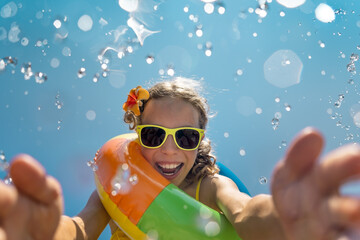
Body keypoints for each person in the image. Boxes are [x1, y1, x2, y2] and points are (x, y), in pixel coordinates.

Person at [1, 77, 360, 240]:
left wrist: (283, 222)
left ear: (199, 143)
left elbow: (246, 211)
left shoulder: (208, 184)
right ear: (137, 135)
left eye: (185, 137)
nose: (169, 150)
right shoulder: (117, 186)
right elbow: (81, 229)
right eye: (154, 135)